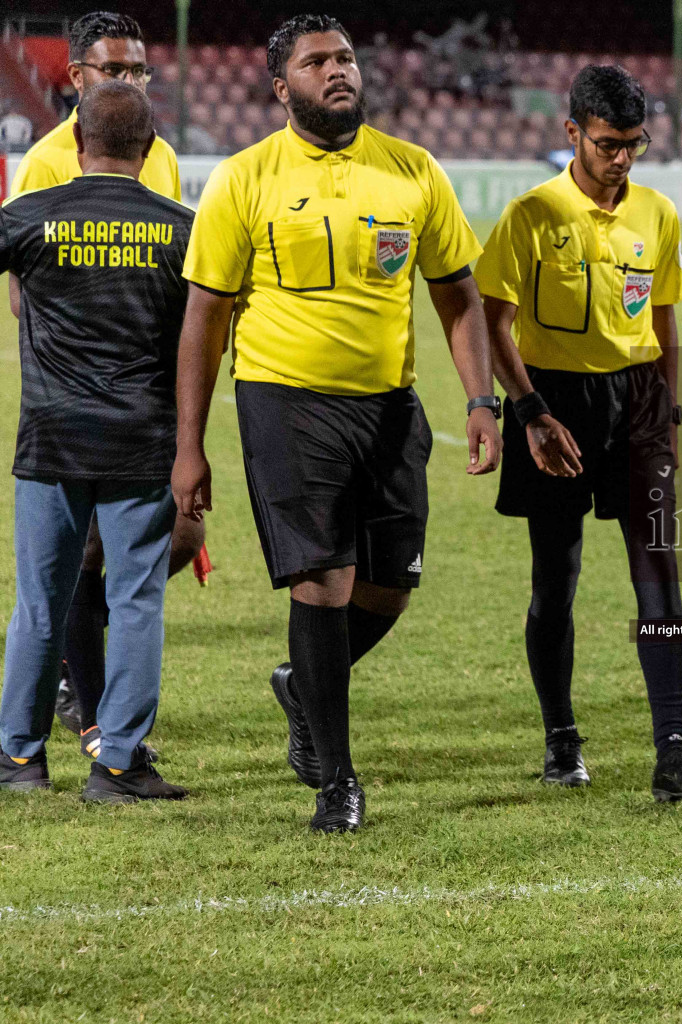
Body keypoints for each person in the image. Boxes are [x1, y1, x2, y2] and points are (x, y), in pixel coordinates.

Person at [172, 14, 503, 833]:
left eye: (346, 56)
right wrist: (188, 446)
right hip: (285, 399)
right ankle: (338, 782)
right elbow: (203, 321)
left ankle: (301, 685)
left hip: (390, 405)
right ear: (281, 87)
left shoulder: (412, 170)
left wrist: (481, 400)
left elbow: (457, 297)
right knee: (325, 580)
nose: (338, 70)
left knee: (390, 587)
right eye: (317, 61)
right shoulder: (245, 179)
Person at [474, 64, 682, 801]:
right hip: (554, 405)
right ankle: (561, 741)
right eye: (609, 143)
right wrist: (529, 412)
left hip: (639, 401)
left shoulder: (656, 213)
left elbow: (665, 317)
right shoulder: (530, 215)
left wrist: (670, 412)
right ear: (572, 132)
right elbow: (493, 322)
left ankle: (673, 752)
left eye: (634, 145)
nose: (621, 159)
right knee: (558, 583)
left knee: (661, 577)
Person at [7, 10, 209, 761]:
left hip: (72, 426)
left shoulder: (52, 203)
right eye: (113, 70)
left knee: (52, 595)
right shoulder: (171, 216)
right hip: (128, 425)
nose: (125, 78)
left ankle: (24, 751)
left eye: (135, 69)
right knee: (123, 595)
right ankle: (111, 744)